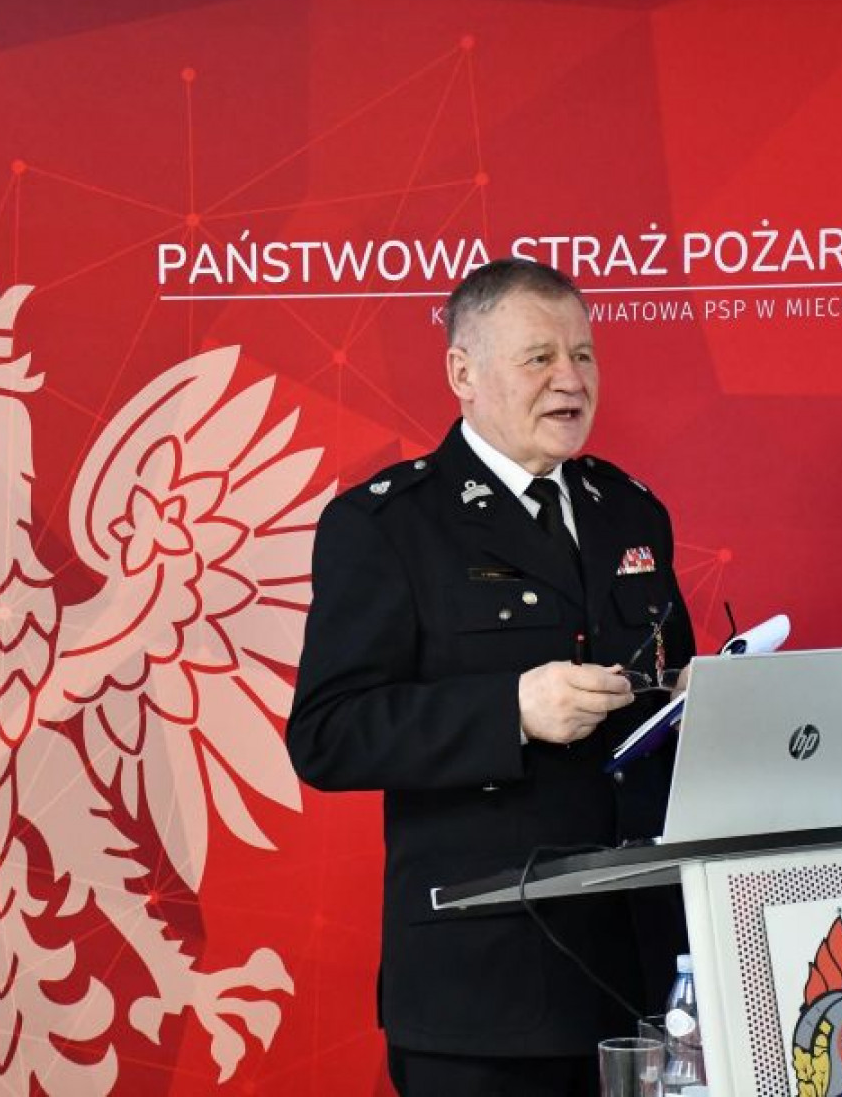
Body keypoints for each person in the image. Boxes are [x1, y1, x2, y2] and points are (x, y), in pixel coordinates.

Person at [286, 258, 696, 1096]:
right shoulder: (388, 524)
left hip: (648, 984)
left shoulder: (630, 511)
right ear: (462, 373)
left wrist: (702, 699)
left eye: (583, 355)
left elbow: (666, 684)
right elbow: (328, 735)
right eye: (539, 357)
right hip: (487, 994)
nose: (570, 379)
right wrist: (510, 711)